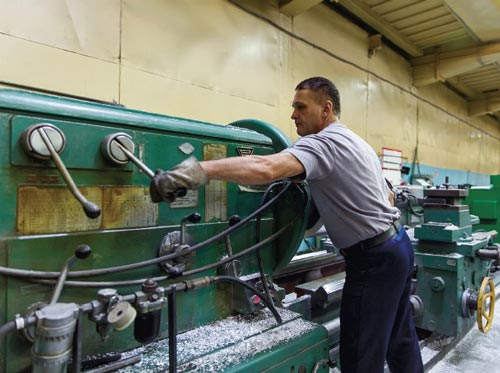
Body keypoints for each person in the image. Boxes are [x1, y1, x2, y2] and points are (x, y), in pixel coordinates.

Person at [149, 77, 423, 373]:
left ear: (325, 109)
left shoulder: (323, 143)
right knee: (400, 338)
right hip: (397, 248)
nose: (293, 114)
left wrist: (197, 171)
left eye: (301, 107)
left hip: (372, 261)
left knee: (360, 356)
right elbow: (389, 196)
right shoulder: (354, 140)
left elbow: (266, 167)